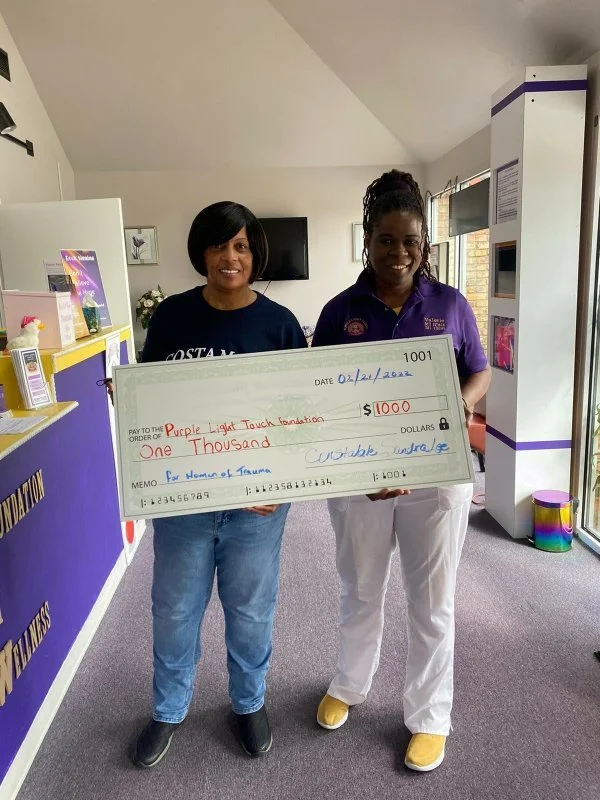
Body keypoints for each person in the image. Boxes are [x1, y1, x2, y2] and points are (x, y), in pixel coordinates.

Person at [311, 170, 491, 772]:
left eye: (410, 241)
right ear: (369, 239)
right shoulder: (340, 312)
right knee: (359, 588)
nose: (399, 252)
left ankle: (429, 716)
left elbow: (480, 370)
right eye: (387, 239)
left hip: (436, 477)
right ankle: (350, 684)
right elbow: (320, 395)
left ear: (425, 244)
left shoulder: (451, 305)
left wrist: (465, 399)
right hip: (359, 479)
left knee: (432, 601)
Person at [132, 201, 307, 767]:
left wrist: (281, 484)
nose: (229, 257)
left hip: (257, 507)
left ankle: (248, 703)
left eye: (240, 246)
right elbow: (151, 405)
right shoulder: (171, 318)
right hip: (184, 503)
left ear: (255, 254)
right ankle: (167, 709)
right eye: (217, 245)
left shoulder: (278, 324)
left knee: (251, 609)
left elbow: (298, 417)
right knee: (175, 609)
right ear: (200, 253)